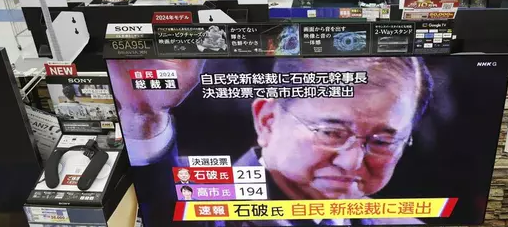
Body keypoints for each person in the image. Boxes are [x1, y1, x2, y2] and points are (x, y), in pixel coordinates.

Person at [108, 57, 435, 226]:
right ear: (267, 120)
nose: (351, 162)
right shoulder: (206, 206)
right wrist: (143, 117)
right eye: (332, 133)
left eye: (381, 141)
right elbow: (163, 208)